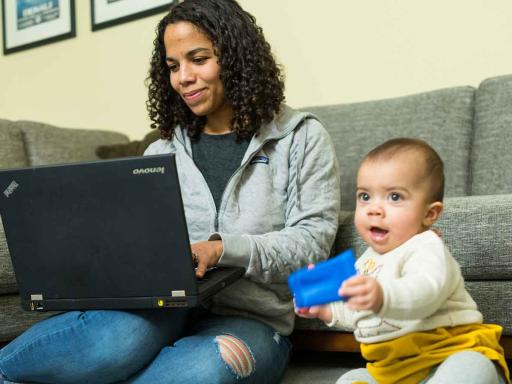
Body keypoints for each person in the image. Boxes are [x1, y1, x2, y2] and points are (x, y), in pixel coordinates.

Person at [0, 0, 340, 383]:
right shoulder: (160, 152)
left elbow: (313, 242)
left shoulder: (300, 138)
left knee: (207, 369)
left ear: (237, 56)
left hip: (253, 321)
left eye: (198, 59)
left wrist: (222, 248)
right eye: (173, 66)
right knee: (107, 345)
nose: (183, 78)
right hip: (161, 308)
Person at [296, 138, 510, 384]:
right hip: (396, 370)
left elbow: (425, 290)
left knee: (471, 368)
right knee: (349, 380)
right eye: (365, 196)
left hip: (448, 352)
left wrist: (382, 296)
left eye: (394, 197)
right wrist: (325, 310)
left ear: (429, 214)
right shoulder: (367, 261)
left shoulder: (427, 247)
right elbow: (360, 311)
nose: (374, 209)